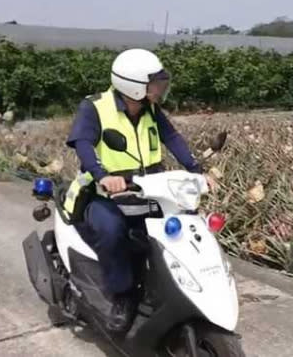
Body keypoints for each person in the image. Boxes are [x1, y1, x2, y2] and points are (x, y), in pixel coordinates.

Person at [64, 48, 213, 332]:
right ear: (133, 87)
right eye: (154, 85)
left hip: (148, 189)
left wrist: (196, 170)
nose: (159, 90)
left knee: (175, 230)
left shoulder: (151, 109)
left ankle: (167, 286)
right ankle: (123, 294)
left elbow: (172, 137)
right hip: (105, 193)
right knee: (111, 231)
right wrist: (103, 175)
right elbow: (83, 142)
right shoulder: (94, 107)